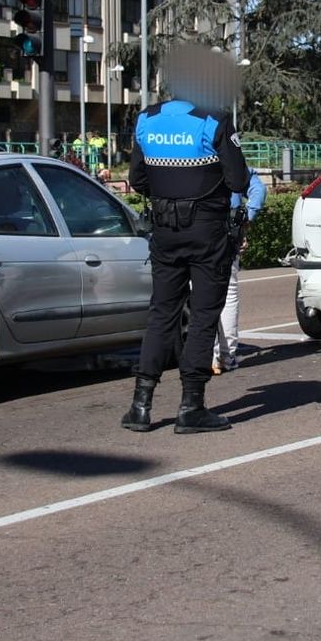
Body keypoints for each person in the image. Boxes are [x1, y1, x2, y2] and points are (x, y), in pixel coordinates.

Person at [120, 45, 250, 434]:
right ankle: (191, 406)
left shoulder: (146, 119)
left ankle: (140, 405)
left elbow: (138, 179)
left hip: (164, 229)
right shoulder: (214, 121)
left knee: (162, 312)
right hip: (206, 231)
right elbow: (239, 180)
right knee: (204, 314)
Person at [214, 168, 267, 374]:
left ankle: (203, 355)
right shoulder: (229, 159)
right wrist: (245, 220)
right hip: (225, 231)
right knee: (227, 294)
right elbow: (258, 189)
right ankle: (226, 356)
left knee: (196, 294)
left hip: (186, 230)